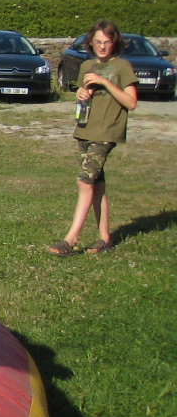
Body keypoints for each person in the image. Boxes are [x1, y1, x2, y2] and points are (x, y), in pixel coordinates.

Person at [49, 19, 137, 257]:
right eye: (98, 42)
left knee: (84, 182)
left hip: (107, 131)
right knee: (96, 184)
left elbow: (131, 102)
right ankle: (105, 238)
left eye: (107, 42)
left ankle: (71, 239)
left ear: (114, 42)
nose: (102, 46)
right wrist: (80, 94)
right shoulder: (87, 66)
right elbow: (83, 95)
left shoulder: (122, 67)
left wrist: (104, 82)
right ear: (91, 43)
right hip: (86, 129)